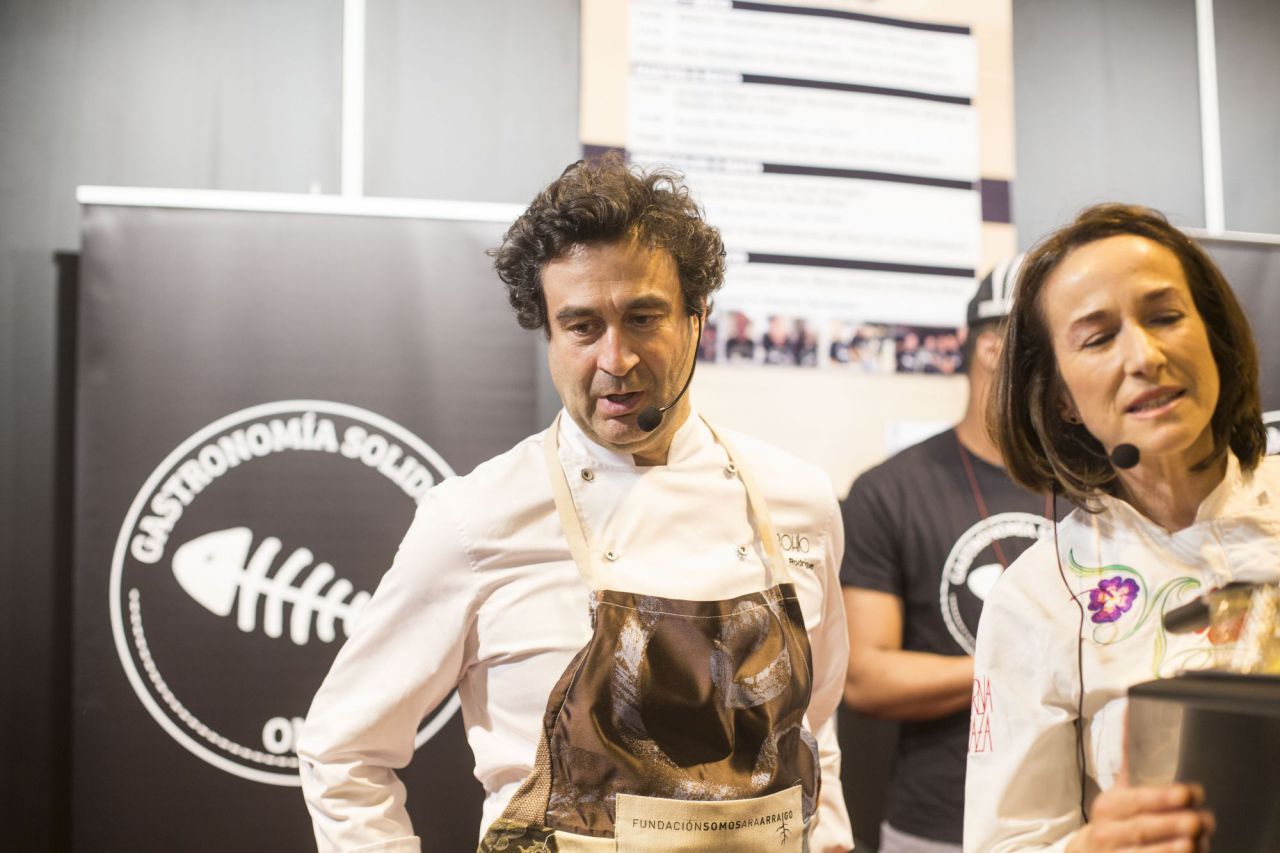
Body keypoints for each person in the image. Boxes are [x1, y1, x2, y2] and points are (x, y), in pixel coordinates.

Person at [297, 156, 854, 852]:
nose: (615, 359)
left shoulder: (797, 501)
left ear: (696, 317)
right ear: (550, 336)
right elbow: (342, 749)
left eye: (643, 316)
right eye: (583, 326)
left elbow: (811, 723)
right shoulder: (474, 520)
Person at [966, 203, 1280, 851]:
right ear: (1060, 397)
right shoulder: (1036, 597)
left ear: (1214, 336)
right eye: (1098, 337)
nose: (1146, 355)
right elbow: (1006, 840)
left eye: (1167, 316)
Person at [840, 256, 1052, 852]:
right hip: (937, 827)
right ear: (992, 347)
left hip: (1074, 817)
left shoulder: (1092, 488)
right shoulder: (890, 490)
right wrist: (1031, 661)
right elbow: (867, 677)